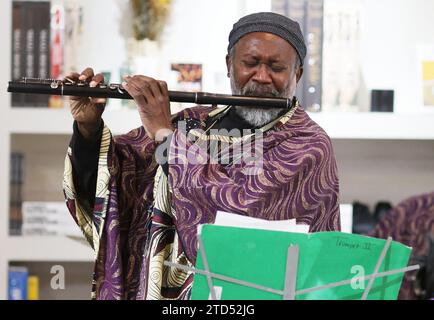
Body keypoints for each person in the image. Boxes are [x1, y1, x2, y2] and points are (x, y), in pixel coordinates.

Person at [63, 12, 340, 300]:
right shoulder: (191, 124)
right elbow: (116, 187)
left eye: (277, 67)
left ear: (297, 74)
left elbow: (238, 218)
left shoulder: (308, 144)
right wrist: (88, 128)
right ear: (229, 65)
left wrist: (164, 136)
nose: (262, 77)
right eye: (250, 63)